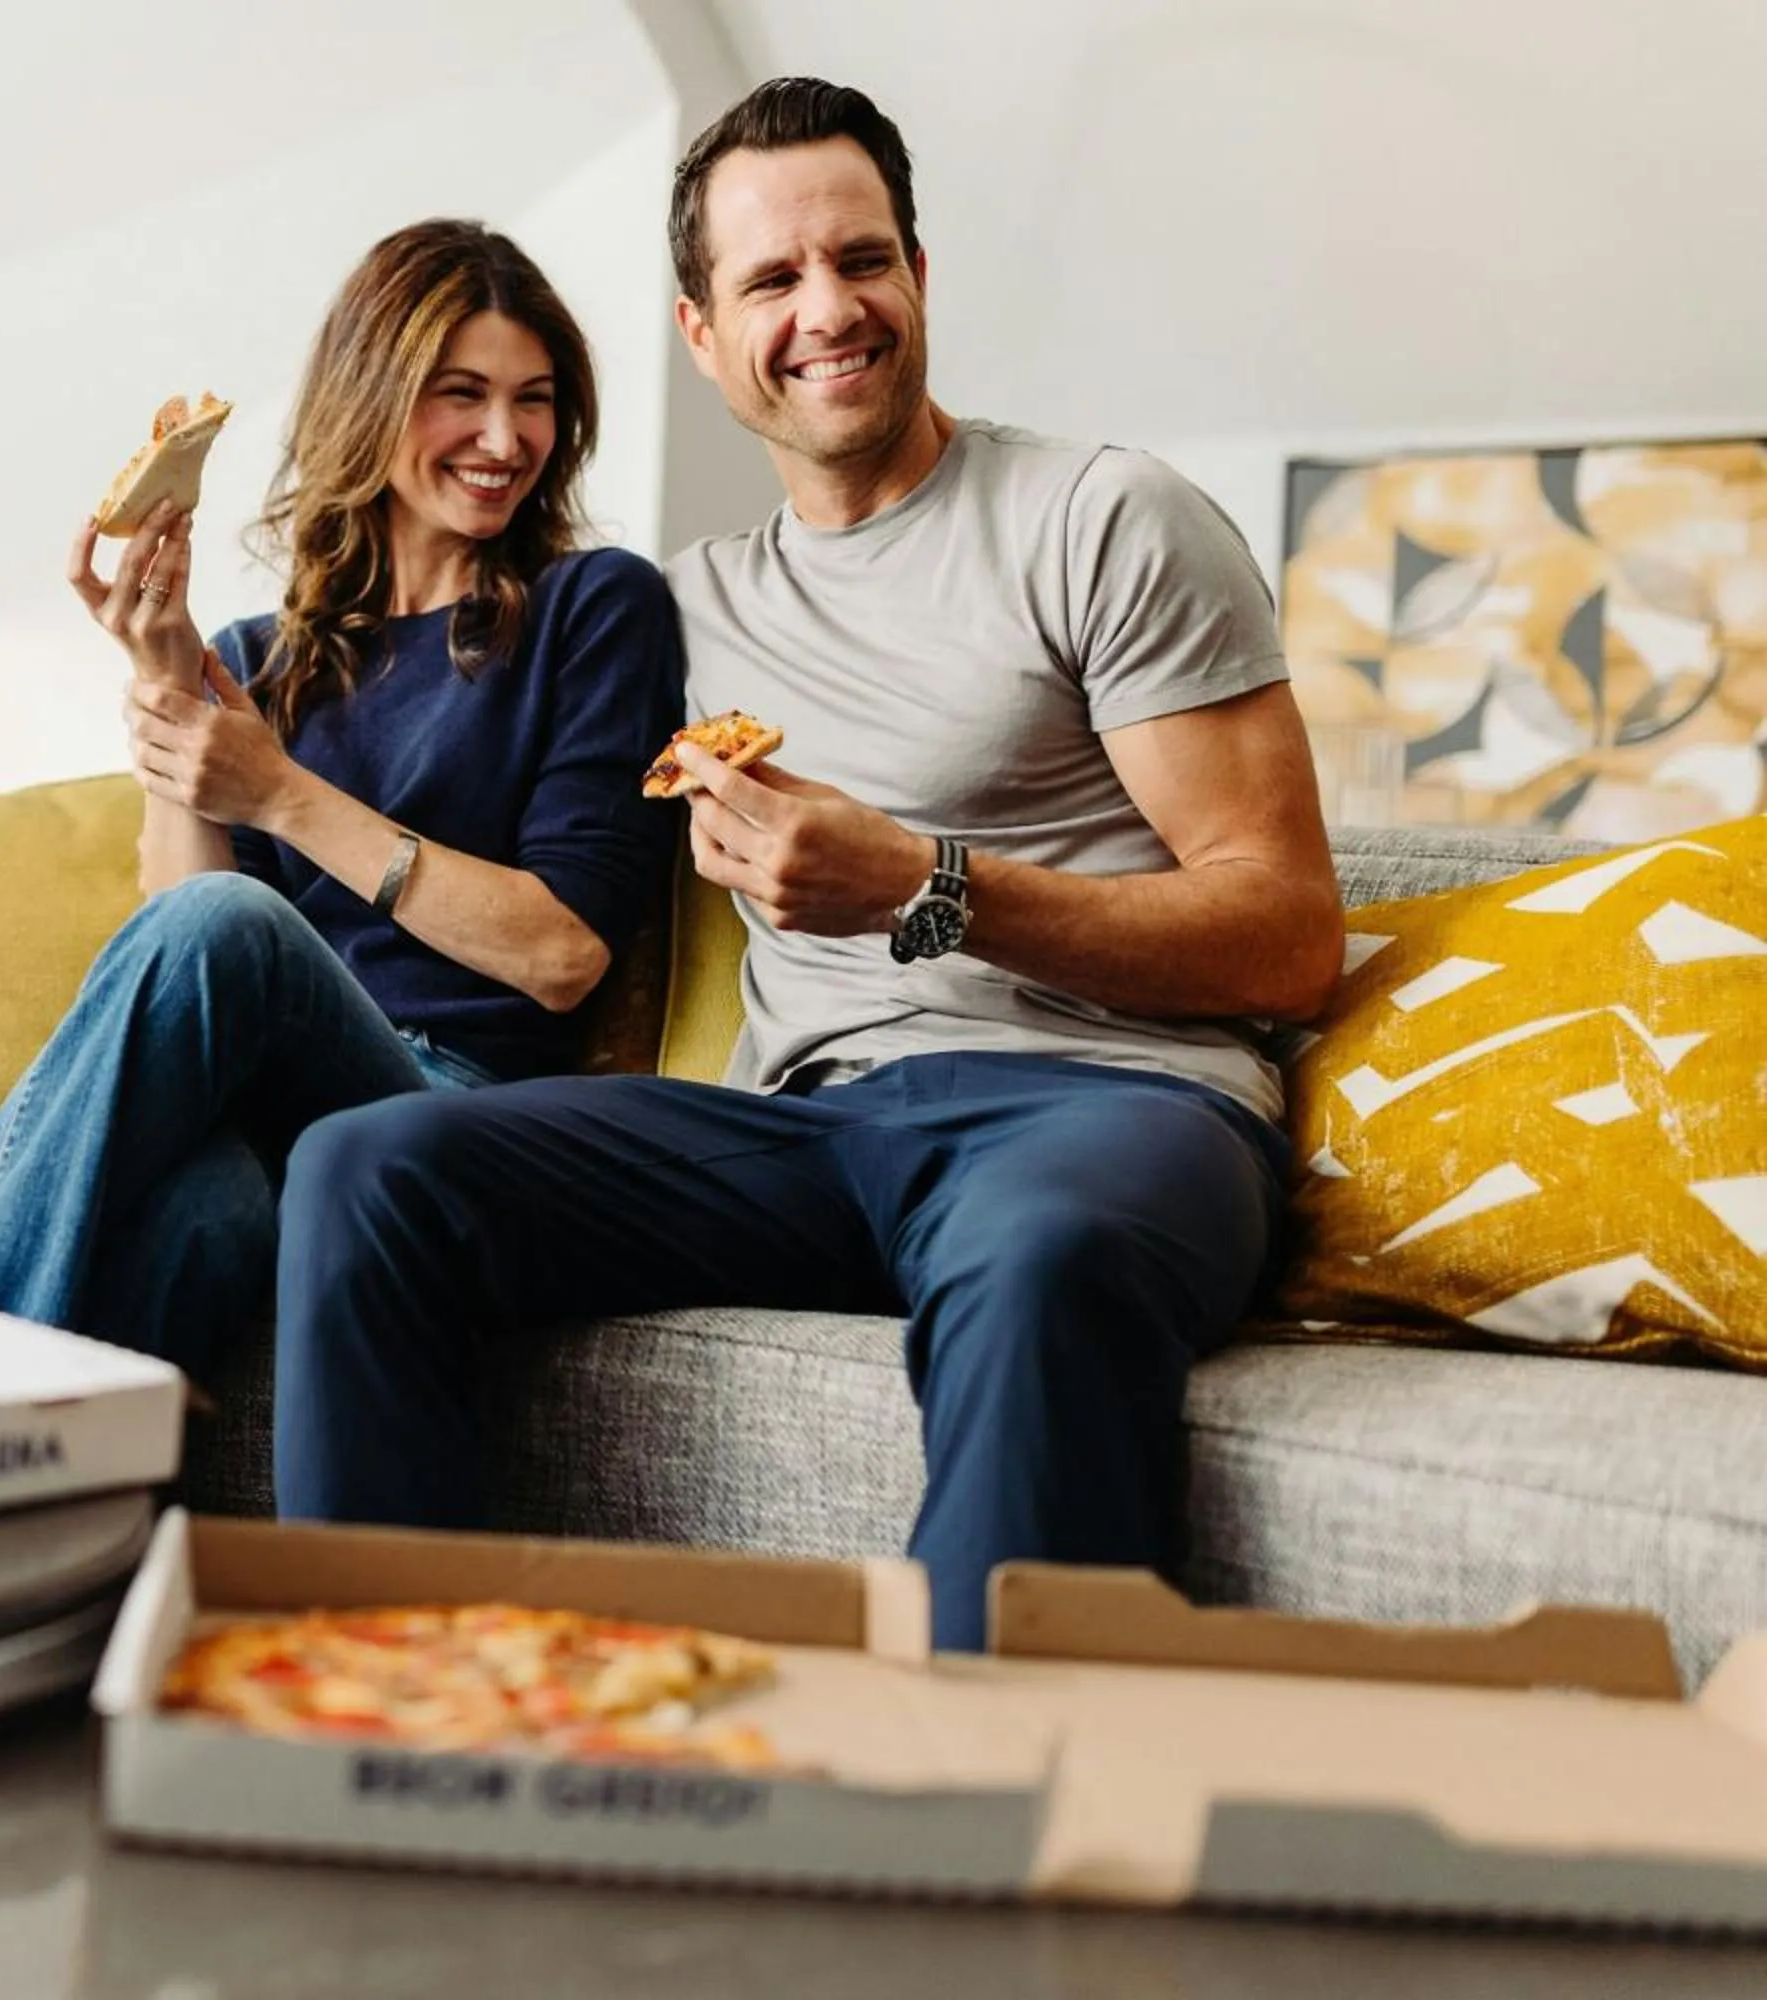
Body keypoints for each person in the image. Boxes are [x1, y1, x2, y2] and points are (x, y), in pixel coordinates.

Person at [271, 80, 1346, 1650]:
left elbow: (1286, 936)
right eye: (773, 281)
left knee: (1040, 1257)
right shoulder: (680, 613)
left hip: (1114, 1110)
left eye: (863, 260)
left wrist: (929, 885)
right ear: (703, 337)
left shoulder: (1102, 519)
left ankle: (987, 1804)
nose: (827, 310)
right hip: (815, 1134)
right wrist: (205, 699)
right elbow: (471, 764)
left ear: (918, 274)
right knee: (372, 1167)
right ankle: (389, 1718)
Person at [0, 219, 685, 1381]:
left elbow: (562, 952)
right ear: (369, 401)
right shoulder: (259, 659)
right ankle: (29, 1533)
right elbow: (181, 925)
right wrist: (170, 684)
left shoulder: (595, 609)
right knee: (206, 1214)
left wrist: (280, 792)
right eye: (460, 394)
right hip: (270, 1112)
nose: (504, 437)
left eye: (533, 401)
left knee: (230, 937)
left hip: (459, 1104)